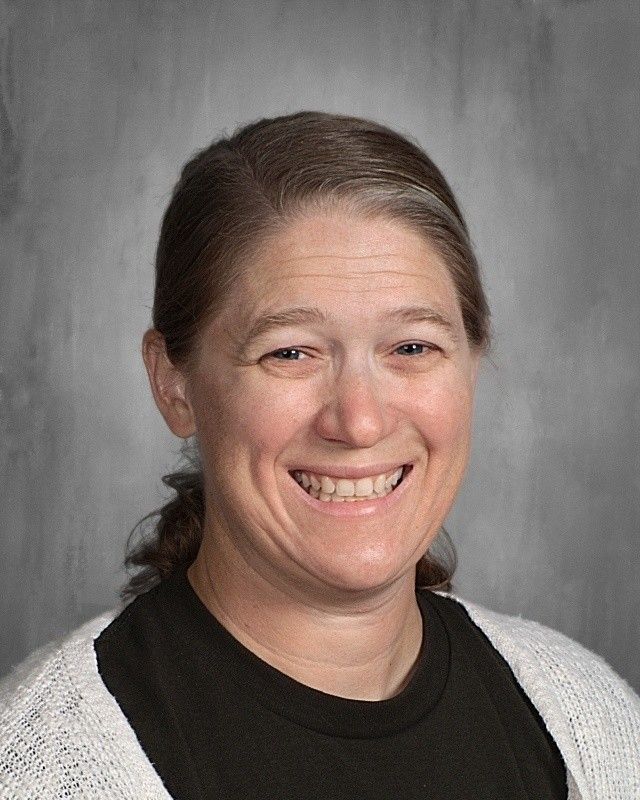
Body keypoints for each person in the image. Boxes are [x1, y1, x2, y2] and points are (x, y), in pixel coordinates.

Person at [1, 111, 638, 800]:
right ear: (173, 383)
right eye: (290, 352)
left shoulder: (593, 721)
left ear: (473, 360)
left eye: (412, 347)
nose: (359, 422)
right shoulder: (44, 766)